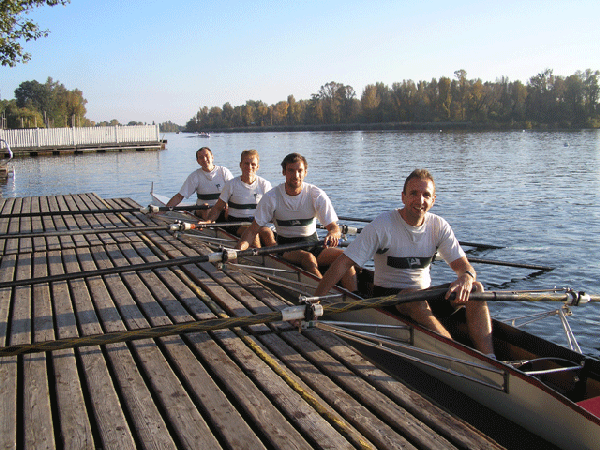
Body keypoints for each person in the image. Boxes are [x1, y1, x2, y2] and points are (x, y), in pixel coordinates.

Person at [314, 169, 494, 356]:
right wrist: (315, 301)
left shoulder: (439, 226)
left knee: (475, 289)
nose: (420, 200)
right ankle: (458, 354)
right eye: (414, 193)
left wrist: (467, 277)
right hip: (388, 298)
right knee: (414, 298)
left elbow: (464, 267)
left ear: (433, 200)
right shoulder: (383, 225)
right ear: (403, 197)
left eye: (426, 195)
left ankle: (490, 357)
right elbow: (343, 263)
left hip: (422, 296)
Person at [236, 152, 357, 292]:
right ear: (284, 172)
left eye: (300, 171)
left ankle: (355, 295)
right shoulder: (272, 197)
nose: (296, 175)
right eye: (291, 171)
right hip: (284, 248)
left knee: (345, 256)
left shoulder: (315, 194)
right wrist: (238, 251)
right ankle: (330, 293)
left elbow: (334, 228)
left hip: (313, 245)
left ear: (305, 172)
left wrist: (334, 234)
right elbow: (252, 230)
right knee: (308, 258)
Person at [203, 149, 276, 247]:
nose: (249, 167)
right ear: (240, 165)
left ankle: (275, 257)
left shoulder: (264, 185)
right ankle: (260, 259)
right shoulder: (231, 184)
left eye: (253, 164)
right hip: (236, 224)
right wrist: (209, 221)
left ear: (257, 167)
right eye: (246, 163)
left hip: (257, 223)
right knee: (253, 236)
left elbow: (274, 209)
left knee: (268, 234)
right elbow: (218, 208)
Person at [166, 147, 233, 220]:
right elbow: (179, 196)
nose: (204, 159)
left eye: (207, 156)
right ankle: (208, 227)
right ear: (198, 161)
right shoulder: (195, 176)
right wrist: (164, 210)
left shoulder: (223, 171)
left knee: (230, 207)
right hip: (203, 210)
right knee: (205, 206)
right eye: (201, 157)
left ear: (212, 157)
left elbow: (235, 191)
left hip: (221, 209)